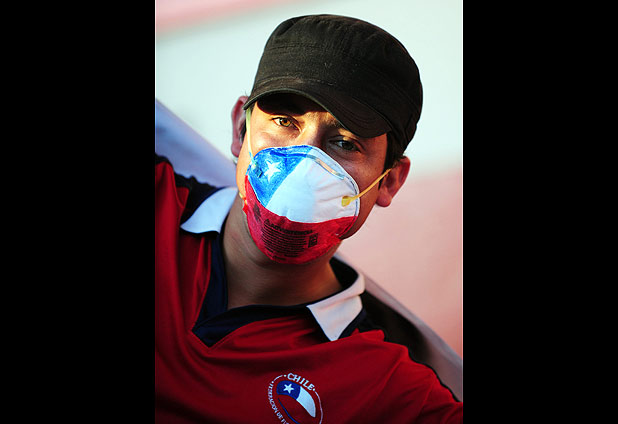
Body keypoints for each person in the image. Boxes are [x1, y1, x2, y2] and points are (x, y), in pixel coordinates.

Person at [155, 14, 463, 423]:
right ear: (240, 129)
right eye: (285, 122)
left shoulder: (389, 391)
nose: (303, 164)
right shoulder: (160, 199)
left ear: (389, 182)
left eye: (344, 143)